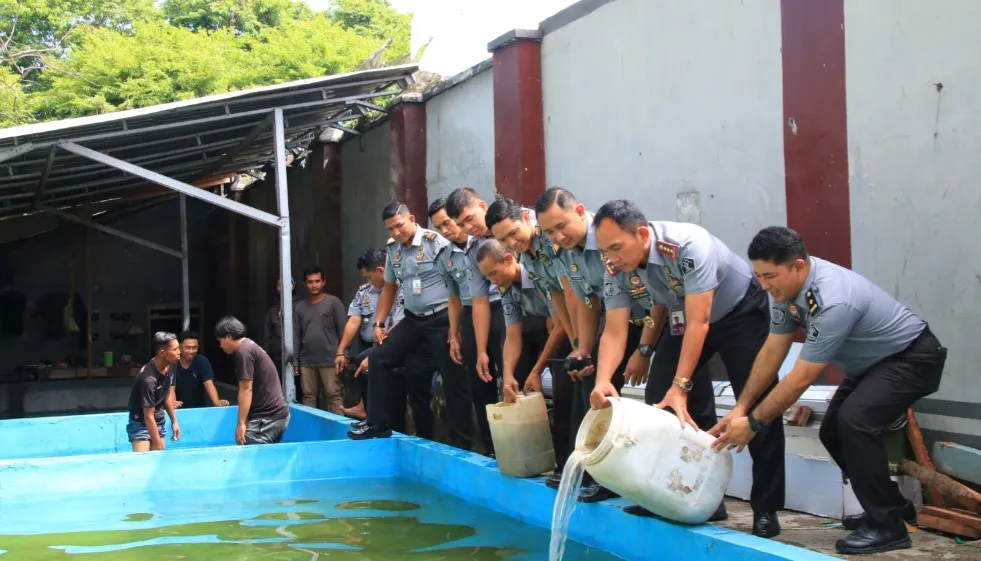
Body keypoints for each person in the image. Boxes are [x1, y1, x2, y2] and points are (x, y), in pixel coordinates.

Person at [710, 227, 946, 554]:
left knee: (854, 422)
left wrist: (753, 423)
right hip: (873, 364)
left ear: (798, 266)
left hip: (912, 358)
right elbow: (772, 351)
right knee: (832, 431)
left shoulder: (832, 299)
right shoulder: (786, 291)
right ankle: (891, 507)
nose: (763, 285)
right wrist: (741, 407)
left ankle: (887, 526)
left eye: (770, 276)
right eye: (759, 276)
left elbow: (801, 377)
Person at [589, 199, 784, 537]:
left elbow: (700, 321)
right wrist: (603, 380)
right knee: (660, 397)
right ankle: (696, 498)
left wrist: (681, 386)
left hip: (738, 312)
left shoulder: (688, 246)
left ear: (642, 234)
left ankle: (766, 508)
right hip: (683, 315)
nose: (612, 258)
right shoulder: (615, 267)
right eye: (605, 251)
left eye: (617, 248)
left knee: (757, 402)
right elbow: (616, 330)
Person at [535, 187, 642, 503]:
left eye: (561, 225)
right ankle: (598, 473)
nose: (557, 236)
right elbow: (587, 300)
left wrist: (645, 349)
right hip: (617, 321)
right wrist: (582, 347)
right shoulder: (567, 253)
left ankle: (619, 477)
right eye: (549, 232)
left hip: (647, 319)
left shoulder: (608, 238)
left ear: (580, 211)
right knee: (588, 381)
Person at [348, 201, 473, 450]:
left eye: (399, 226)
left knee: (453, 378)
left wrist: (456, 328)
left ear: (412, 219)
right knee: (378, 357)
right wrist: (379, 323)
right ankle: (377, 423)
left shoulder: (435, 243)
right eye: (390, 229)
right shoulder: (393, 249)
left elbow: (457, 285)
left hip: (442, 318)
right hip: (413, 320)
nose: (396, 233)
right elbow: (389, 288)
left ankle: (462, 443)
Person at [485, 197, 578, 486]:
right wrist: (508, 376)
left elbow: (560, 319)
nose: (512, 242)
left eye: (513, 234)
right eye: (504, 239)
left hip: (580, 318)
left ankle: (574, 468)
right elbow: (512, 332)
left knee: (567, 394)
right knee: (525, 378)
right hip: (559, 323)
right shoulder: (518, 271)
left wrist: (539, 369)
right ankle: (553, 462)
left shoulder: (541, 256)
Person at [431, 195, 500, 455]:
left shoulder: (487, 240)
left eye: (448, 223)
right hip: (472, 313)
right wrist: (454, 335)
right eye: (439, 227)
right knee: (479, 382)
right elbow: (454, 299)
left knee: (509, 373)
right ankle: (490, 446)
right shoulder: (444, 256)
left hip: (501, 308)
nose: (446, 230)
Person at [444, 190, 507, 422]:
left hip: (514, 312)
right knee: (480, 381)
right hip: (483, 313)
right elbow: (479, 299)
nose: (468, 227)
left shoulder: (511, 230)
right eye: (462, 224)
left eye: (470, 219)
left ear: (482, 205)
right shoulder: (474, 251)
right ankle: (489, 439)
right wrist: (481, 351)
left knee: (514, 378)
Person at [335, 248, 406, 420]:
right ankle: (368, 412)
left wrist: (376, 354)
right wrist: (341, 350)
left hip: (396, 348)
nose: (368, 281)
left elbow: (400, 324)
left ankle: (384, 421)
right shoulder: (364, 292)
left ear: (381, 270)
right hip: (369, 345)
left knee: (393, 392)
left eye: (369, 277)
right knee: (363, 366)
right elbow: (354, 320)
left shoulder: (403, 288)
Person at [215, 316, 291, 445]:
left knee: (245, 444)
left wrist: (241, 423)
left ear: (229, 337)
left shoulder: (244, 352)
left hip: (269, 417)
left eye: (220, 341)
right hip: (273, 415)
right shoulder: (249, 345)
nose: (220, 346)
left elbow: (246, 389)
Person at [293, 266, 347, 413]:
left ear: (323, 282)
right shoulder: (299, 307)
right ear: (305, 284)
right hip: (306, 361)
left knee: (334, 395)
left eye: (317, 281)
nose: (314, 285)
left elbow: (344, 330)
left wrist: (344, 354)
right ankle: (309, 426)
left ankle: (339, 425)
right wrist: (296, 361)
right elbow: (296, 335)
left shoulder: (333, 302)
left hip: (331, 359)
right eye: (310, 282)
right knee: (308, 396)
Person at [127, 331, 181, 452]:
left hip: (159, 421)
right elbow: (148, 415)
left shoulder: (170, 364)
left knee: (158, 460)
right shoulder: (148, 379)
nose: (179, 352)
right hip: (141, 423)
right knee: (143, 461)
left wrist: (174, 421)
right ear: (163, 353)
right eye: (175, 349)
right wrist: (157, 442)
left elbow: (166, 395)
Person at [172, 330, 228, 409]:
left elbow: (209, 383)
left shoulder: (202, 361)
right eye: (188, 348)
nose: (191, 351)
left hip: (199, 408)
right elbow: (170, 387)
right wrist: (173, 403)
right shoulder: (172, 363)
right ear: (179, 347)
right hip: (178, 409)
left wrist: (216, 401)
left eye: (194, 348)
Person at [264, 277, 297, 381]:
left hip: (299, 357)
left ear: (293, 286)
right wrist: (266, 355)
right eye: (279, 285)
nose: (283, 287)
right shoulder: (272, 310)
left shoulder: (301, 306)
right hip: (277, 357)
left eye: (287, 284)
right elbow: (267, 335)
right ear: (276, 288)